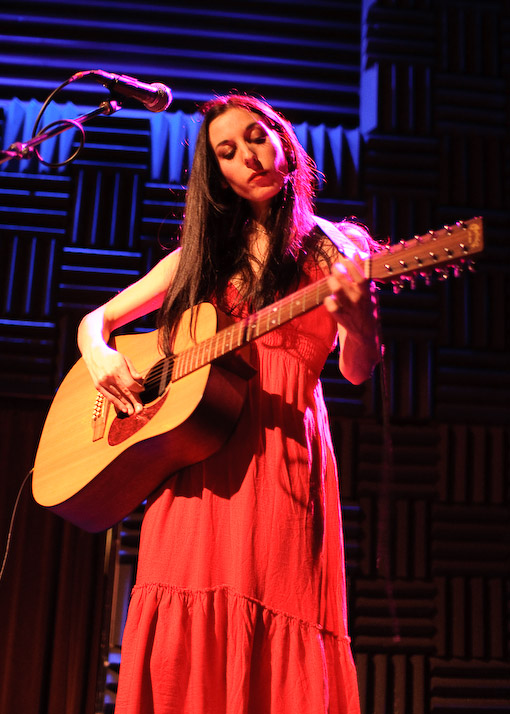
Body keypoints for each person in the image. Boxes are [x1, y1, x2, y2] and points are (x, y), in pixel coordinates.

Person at [78, 94, 380, 714]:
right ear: (217, 174)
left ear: (286, 142)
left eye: (257, 137)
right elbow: (95, 321)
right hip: (193, 466)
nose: (249, 157)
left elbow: (356, 368)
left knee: (281, 615)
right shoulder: (201, 259)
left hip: (281, 461)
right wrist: (101, 355)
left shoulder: (336, 249)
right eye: (228, 152)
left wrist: (362, 324)